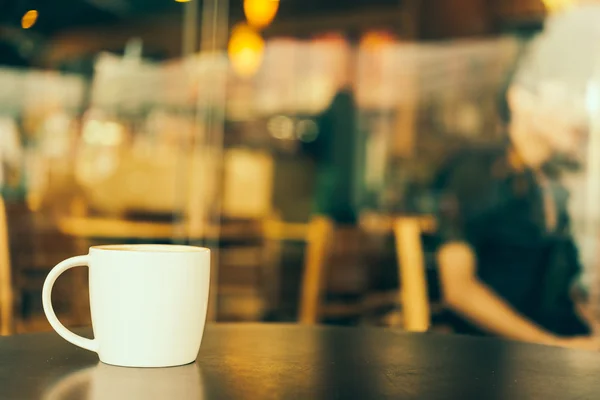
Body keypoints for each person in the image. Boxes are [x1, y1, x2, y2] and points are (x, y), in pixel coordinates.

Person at [436, 3, 600, 350]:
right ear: (521, 100)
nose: (579, 112)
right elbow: (459, 291)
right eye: (565, 95)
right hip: (486, 361)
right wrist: (551, 347)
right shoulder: (475, 172)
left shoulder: (556, 184)